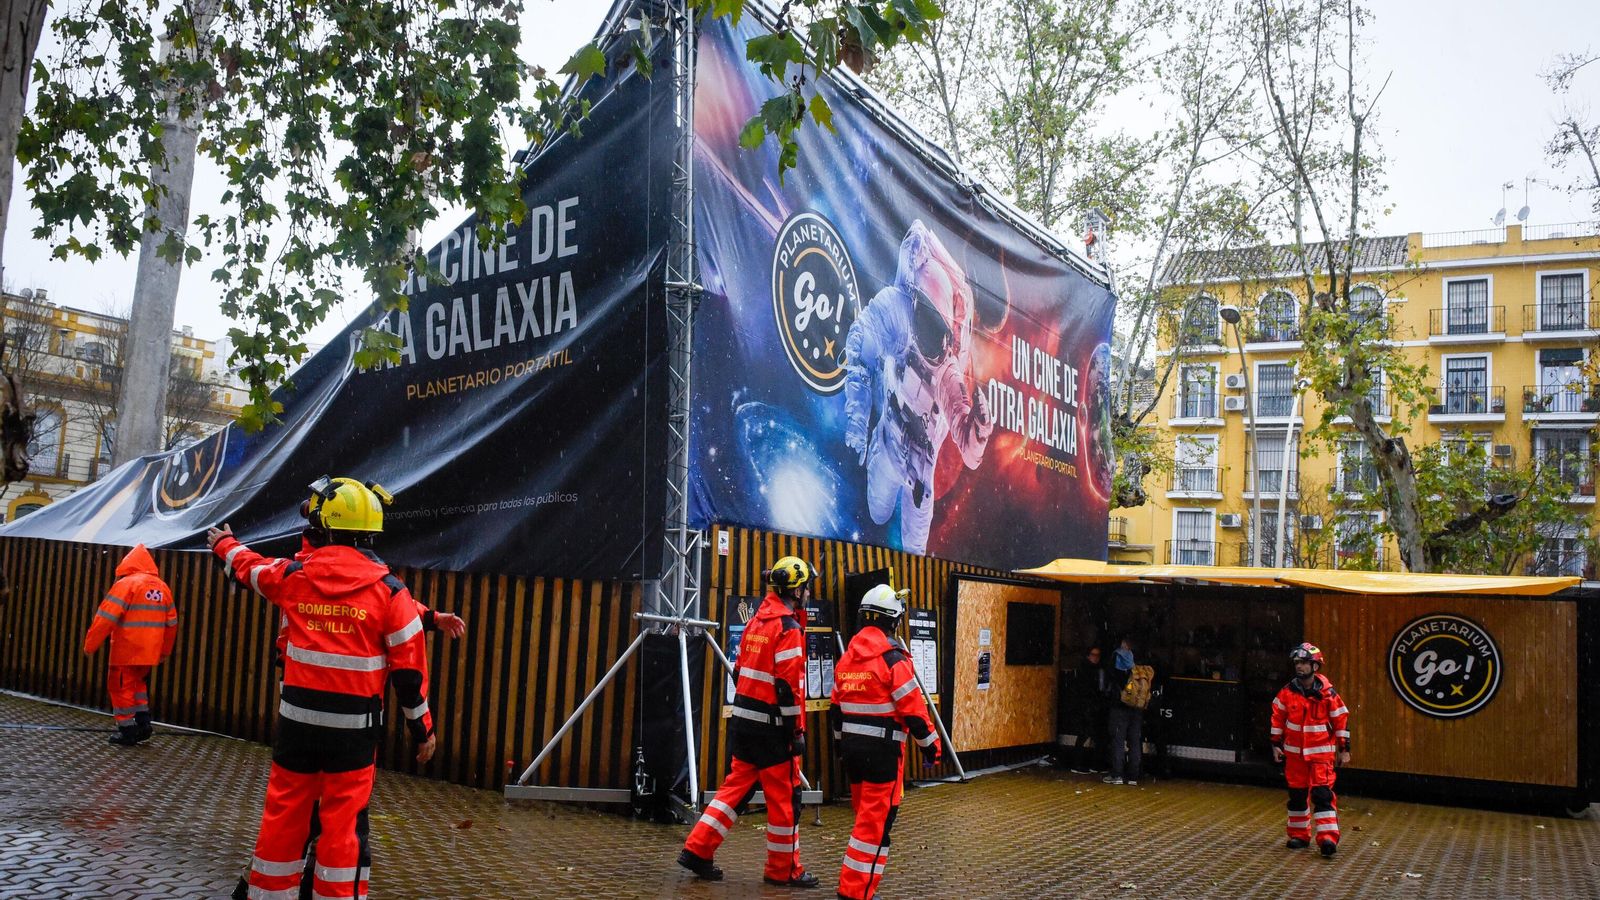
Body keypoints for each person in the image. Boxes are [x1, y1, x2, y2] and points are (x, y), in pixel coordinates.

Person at [207, 475, 436, 900]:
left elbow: (249, 567)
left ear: (324, 525)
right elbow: (409, 674)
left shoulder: (295, 576)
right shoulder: (390, 592)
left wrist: (224, 543)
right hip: (353, 734)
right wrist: (422, 731)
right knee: (342, 827)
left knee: (285, 817)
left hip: (297, 725)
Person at [842, 220, 993, 555]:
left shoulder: (947, 368)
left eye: (937, 326)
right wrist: (857, 414)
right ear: (915, 304)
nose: (931, 334)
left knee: (914, 549)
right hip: (887, 442)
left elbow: (964, 435)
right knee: (876, 511)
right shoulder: (898, 311)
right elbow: (861, 344)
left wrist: (978, 431)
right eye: (925, 318)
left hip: (922, 475)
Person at [679, 556, 818, 888]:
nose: (809, 592)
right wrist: (794, 731)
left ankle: (697, 849)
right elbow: (788, 687)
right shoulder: (787, 627)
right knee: (786, 802)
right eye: (807, 587)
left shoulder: (757, 622)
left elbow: (740, 670)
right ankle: (783, 871)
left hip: (744, 724)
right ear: (796, 591)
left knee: (733, 792)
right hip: (773, 731)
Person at [830, 584, 941, 900]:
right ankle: (855, 892)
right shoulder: (893, 659)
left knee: (865, 823)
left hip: (853, 755)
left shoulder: (848, 658)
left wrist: (840, 748)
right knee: (874, 829)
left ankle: (861, 888)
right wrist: (931, 747)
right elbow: (914, 712)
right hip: (883, 755)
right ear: (893, 620)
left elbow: (835, 712)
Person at [82, 544, 177, 746]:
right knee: (137, 685)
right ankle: (143, 723)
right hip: (149, 651)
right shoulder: (162, 587)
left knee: (120, 687)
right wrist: (164, 652)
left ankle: (127, 730)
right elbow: (172, 624)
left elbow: (105, 618)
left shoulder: (126, 584)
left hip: (126, 649)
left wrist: (90, 645)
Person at [1271, 642, 1351, 857]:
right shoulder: (1287, 693)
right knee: (1297, 796)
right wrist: (1276, 744)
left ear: (1315, 667)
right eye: (1297, 663)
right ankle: (1299, 835)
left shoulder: (1328, 695)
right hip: (1294, 755)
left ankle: (1327, 839)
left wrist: (1344, 749)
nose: (1299, 667)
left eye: (1304, 663)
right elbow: (1277, 719)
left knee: (1322, 795)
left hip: (1320, 756)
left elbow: (1341, 721)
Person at [1103, 637, 1142, 785]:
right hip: (1136, 705)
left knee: (1118, 740)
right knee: (1134, 741)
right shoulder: (1137, 660)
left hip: (1120, 705)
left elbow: (1110, 677)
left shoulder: (1117, 656)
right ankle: (1133, 776)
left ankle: (1117, 774)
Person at [1060, 646, 1105, 773]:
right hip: (1086, 707)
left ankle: (1090, 763)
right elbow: (1085, 690)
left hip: (1092, 707)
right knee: (1085, 734)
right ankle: (1079, 763)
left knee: (1091, 735)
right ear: (1088, 656)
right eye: (1093, 655)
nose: (1095, 658)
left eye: (1098, 655)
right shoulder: (1085, 671)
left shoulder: (1095, 670)